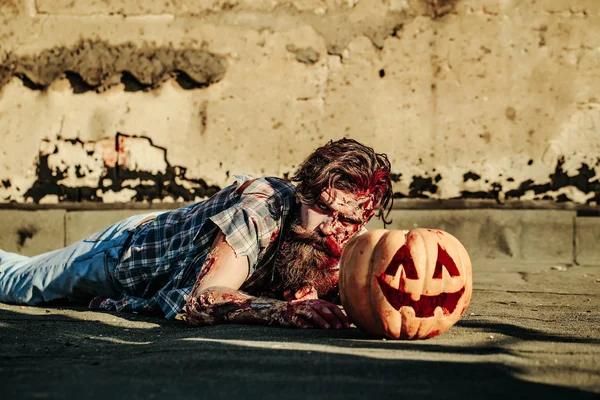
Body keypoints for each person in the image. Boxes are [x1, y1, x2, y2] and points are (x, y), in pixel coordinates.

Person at [0, 138, 393, 329]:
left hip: (164, 267)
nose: (334, 229)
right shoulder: (262, 207)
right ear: (303, 191)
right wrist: (284, 310)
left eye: (350, 220)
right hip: (127, 255)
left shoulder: (342, 227)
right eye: (322, 209)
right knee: (19, 283)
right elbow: (202, 299)